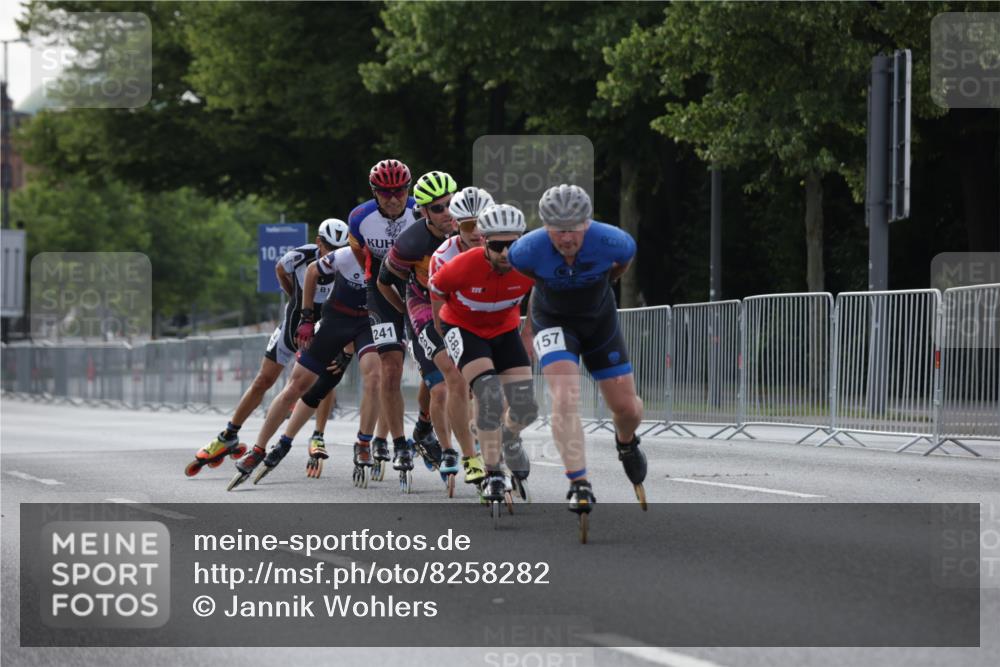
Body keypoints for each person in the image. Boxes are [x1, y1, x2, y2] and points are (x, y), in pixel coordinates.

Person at [507, 184, 646, 518]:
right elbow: (528, 277)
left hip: (599, 319)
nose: (566, 238)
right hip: (552, 320)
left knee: (627, 408)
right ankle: (578, 482)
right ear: (544, 226)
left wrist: (598, 284)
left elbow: (621, 265)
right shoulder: (525, 250)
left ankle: (626, 443)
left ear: (587, 223)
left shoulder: (615, 241)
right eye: (557, 230)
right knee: (565, 396)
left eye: (573, 229)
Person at [184, 220, 340, 477]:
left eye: (340, 247)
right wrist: (295, 299)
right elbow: (279, 269)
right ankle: (229, 435)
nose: (333, 252)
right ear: (319, 242)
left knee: (324, 380)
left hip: (321, 331)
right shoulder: (300, 256)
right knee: (262, 380)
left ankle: (318, 435)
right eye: (329, 247)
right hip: (291, 328)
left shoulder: (345, 263)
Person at [227, 219, 373, 489]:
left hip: (362, 329)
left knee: (359, 379)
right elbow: (308, 273)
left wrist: (348, 349)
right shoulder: (336, 257)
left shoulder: (383, 259)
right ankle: (259, 448)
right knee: (296, 384)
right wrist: (306, 315)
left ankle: (344, 438)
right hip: (330, 323)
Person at [378, 171, 481, 492]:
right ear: (422, 212)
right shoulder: (412, 241)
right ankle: (450, 451)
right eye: (437, 208)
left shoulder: (477, 229)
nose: (447, 212)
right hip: (423, 303)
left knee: (466, 381)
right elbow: (383, 281)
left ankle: (423, 426)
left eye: (451, 203)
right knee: (442, 386)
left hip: (460, 301)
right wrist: (405, 316)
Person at [429, 204, 537, 505]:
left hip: (504, 330)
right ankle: (493, 473)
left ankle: (510, 436)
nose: (505, 253)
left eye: (512, 245)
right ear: (484, 243)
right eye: (497, 246)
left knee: (526, 407)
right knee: (488, 395)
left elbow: (542, 292)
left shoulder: (529, 264)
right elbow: (436, 288)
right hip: (465, 327)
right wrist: (441, 327)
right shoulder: (462, 265)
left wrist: (528, 333)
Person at [349, 159, 420, 471]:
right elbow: (360, 254)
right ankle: (398, 443)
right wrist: (374, 281)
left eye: (400, 191)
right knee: (390, 371)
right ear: (375, 193)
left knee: (435, 365)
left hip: (419, 287)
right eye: (386, 192)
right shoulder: (360, 218)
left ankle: (426, 427)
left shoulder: (422, 212)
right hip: (380, 290)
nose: (393, 198)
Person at [426, 186, 495, 486]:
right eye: (468, 225)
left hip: (488, 317)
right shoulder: (443, 257)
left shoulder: (506, 245)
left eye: (483, 223)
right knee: (457, 379)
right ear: (456, 225)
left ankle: (490, 438)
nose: (477, 232)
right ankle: (468, 455)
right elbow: (440, 314)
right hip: (450, 318)